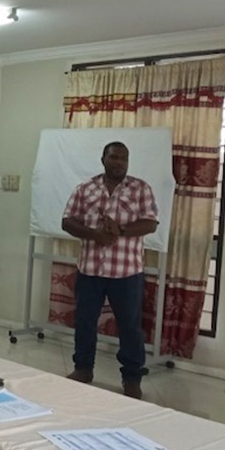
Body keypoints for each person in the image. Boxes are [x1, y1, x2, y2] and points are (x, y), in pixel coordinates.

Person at [62, 141, 159, 399]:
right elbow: (67, 221)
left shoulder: (140, 189)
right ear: (103, 159)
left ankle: (131, 378)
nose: (119, 163)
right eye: (114, 157)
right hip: (90, 270)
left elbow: (150, 224)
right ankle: (83, 369)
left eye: (124, 159)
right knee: (84, 322)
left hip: (126, 273)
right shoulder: (85, 189)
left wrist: (122, 231)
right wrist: (94, 235)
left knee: (129, 327)